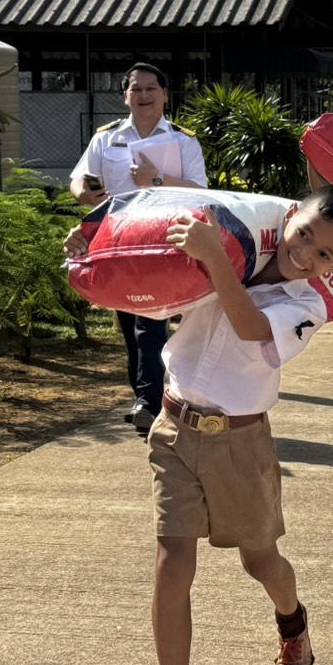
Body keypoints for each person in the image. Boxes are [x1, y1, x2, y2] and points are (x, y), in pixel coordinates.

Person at [64, 184, 333, 665]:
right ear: (291, 216)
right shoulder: (234, 243)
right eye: (305, 234)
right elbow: (148, 277)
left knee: (261, 562)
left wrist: (213, 257)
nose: (307, 254)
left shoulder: (306, 301)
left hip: (240, 443)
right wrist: (94, 247)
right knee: (172, 563)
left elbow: (252, 328)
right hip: (174, 429)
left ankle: (293, 621)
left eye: (326, 253)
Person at [70, 63, 207, 438]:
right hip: (118, 241)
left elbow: (201, 190)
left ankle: (149, 403)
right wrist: (83, 193)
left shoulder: (183, 141)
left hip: (163, 240)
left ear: (165, 95)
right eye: (136, 89)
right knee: (131, 325)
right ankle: (145, 398)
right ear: (125, 96)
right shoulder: (107, 137)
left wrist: (157, 179)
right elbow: (80, 177)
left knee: (150, 319)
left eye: (150, 88)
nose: (143, 95)